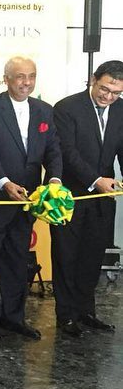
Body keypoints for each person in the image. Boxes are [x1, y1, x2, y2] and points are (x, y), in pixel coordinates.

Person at [0, 56, 62, 341]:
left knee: (17, 259)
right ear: (6, 79)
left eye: (31, 76)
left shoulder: (44, 110)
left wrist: (53, 182)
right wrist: (5, 183)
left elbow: (54, 151)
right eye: (20, 76)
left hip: (26, 199)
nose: (26, 82)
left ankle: (14, 317)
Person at [51, 60, 123, 337]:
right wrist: (95, 180)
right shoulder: (67, 108)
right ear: (93, 79)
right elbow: (67, 152)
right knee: (66, 256)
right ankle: (66, 316)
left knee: (92, 256)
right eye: (104, 89)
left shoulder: (120, 110)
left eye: (116, 92)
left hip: (103, 198)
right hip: (70, 195)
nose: (108, 96)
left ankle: (85, 311)